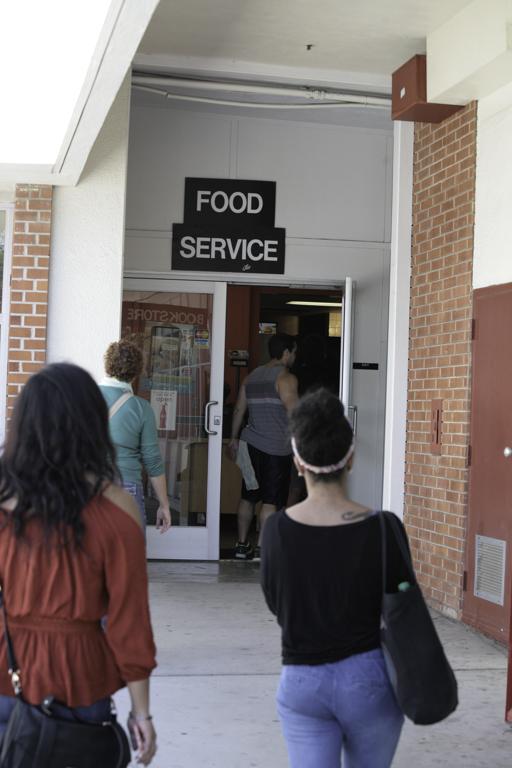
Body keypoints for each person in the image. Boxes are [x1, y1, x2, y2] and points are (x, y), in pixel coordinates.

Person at [0, 363, 158, 765]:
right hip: (80, 677)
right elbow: (129, 621)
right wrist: (142, 712)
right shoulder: (116, 507)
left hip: (6, 672)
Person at [261, 388, 408, 768]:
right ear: (352, 458)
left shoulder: (276, 530)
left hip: (301, 680)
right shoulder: (384, 528)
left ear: (297, 461)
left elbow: (277, 604)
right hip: (368, 678)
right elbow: (401, 604)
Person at [228, 333, 298, 560]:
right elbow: (294, 413)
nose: (294, 357)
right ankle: (261, 548)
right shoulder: (286, 378)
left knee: (248, 496)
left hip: (249, 446)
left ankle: (240, 545)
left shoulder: (252, 376)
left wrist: (233, 438)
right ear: (286, 352)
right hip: (276, 448)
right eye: (294, 352)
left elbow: (239, 409)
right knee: (270, 499)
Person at [100, 340, 171, 534]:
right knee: (130, 559)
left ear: (107, 365)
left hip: (89, 487)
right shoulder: (141, 408)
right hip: (127, 488)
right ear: (136, 372)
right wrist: (164, 505)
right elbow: (153, 461)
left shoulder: (83, 397)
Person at [287, 332, 338, 506]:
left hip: (303, 426)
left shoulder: (296, 372)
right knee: (323, 478)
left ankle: (291, 517)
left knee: (296, 482)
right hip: (323, 427)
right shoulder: (330, 369)